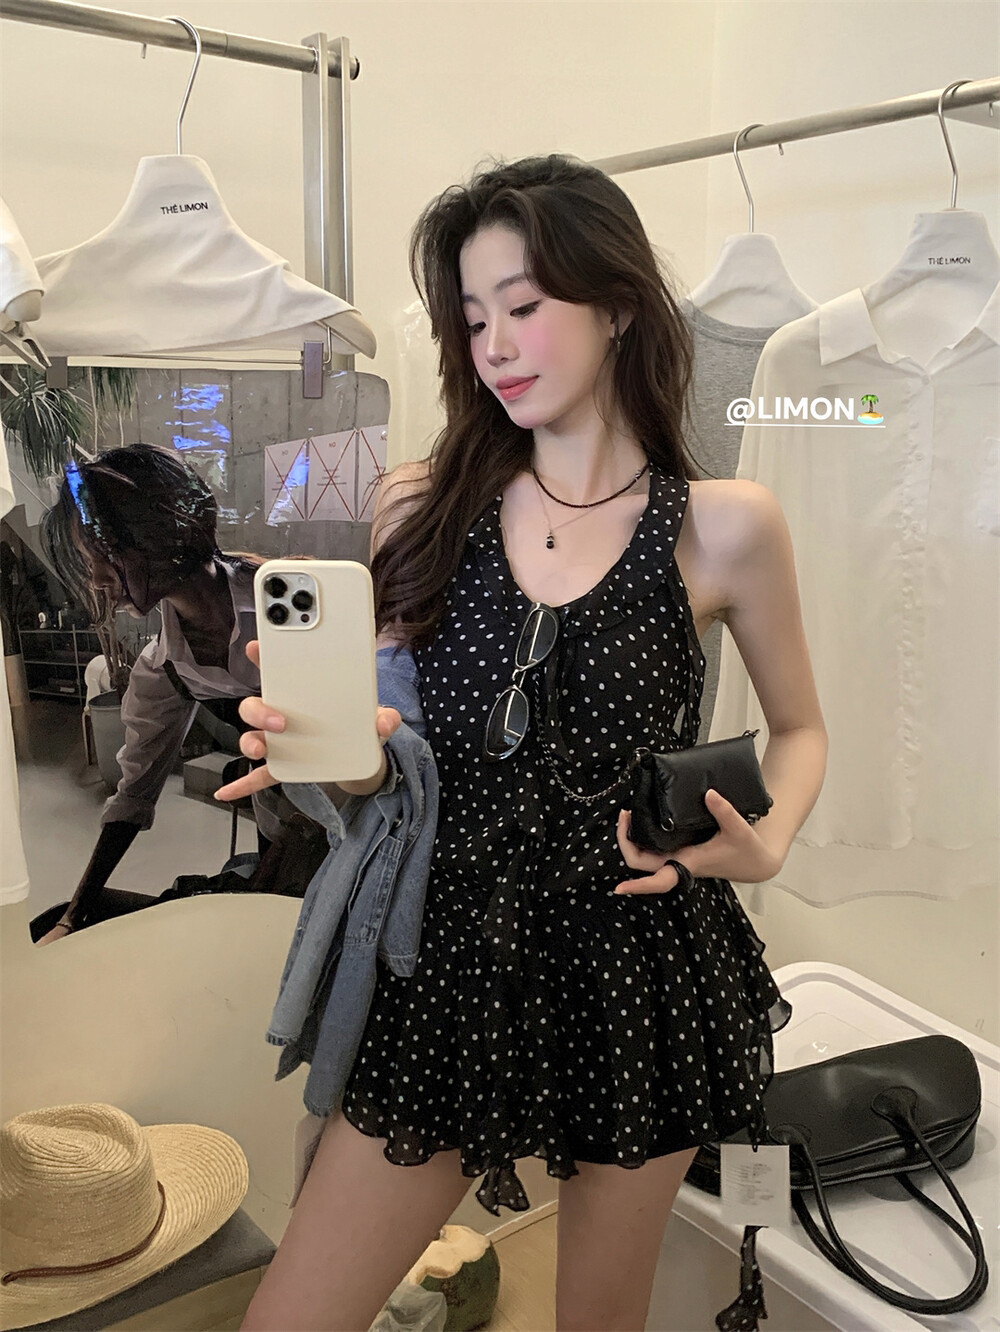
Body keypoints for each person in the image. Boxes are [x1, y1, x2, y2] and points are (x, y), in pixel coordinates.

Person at [221, 155, 829, 1332]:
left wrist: (769, 842)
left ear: (617, 306)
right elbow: (389, 761)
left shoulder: (723, 528)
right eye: (472, 318)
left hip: (640, 969)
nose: (494, 344)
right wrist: (336, 755)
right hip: (445, 966)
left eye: (524, 305)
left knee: (596, 1318)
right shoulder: (421, 505)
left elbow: (799, 727)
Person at [35, 442, 281, 944]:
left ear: (164, 531)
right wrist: (73, 918)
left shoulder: (286, 606)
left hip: (355, 822)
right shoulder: (165, 668)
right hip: (276, 824)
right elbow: (133, 796)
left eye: (104, 555)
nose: (97, 579)